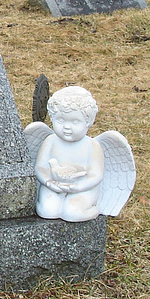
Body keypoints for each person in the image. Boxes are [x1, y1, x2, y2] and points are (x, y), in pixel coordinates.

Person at [34, 86, 105, 221]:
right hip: (54, 186)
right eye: (60, 120)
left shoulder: (92, 146)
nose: (67, 126)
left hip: (83, 188)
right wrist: (48, 182)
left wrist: (78, 187)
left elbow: (96, 174)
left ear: (88, 122)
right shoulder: (50, 141)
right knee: (47, 211)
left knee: (73, 212)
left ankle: (94, 210)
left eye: (75, 121)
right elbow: (40, 167)